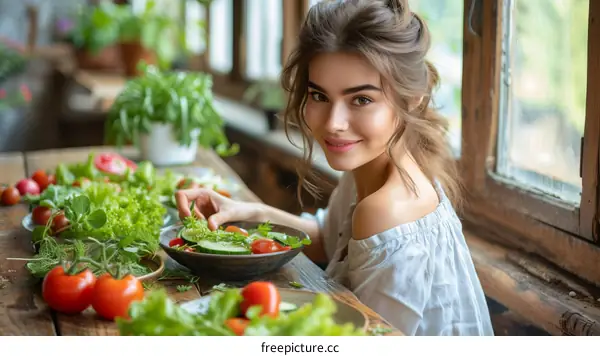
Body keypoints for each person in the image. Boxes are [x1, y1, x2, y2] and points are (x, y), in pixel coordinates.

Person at [175, 0, 494, 336]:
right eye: (319, 96)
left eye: (361, 99)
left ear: (411, 97)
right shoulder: (373, 167)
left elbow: (366, 339)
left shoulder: (387, 208)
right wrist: (243, 211)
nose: (333, 123)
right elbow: (330, 241)